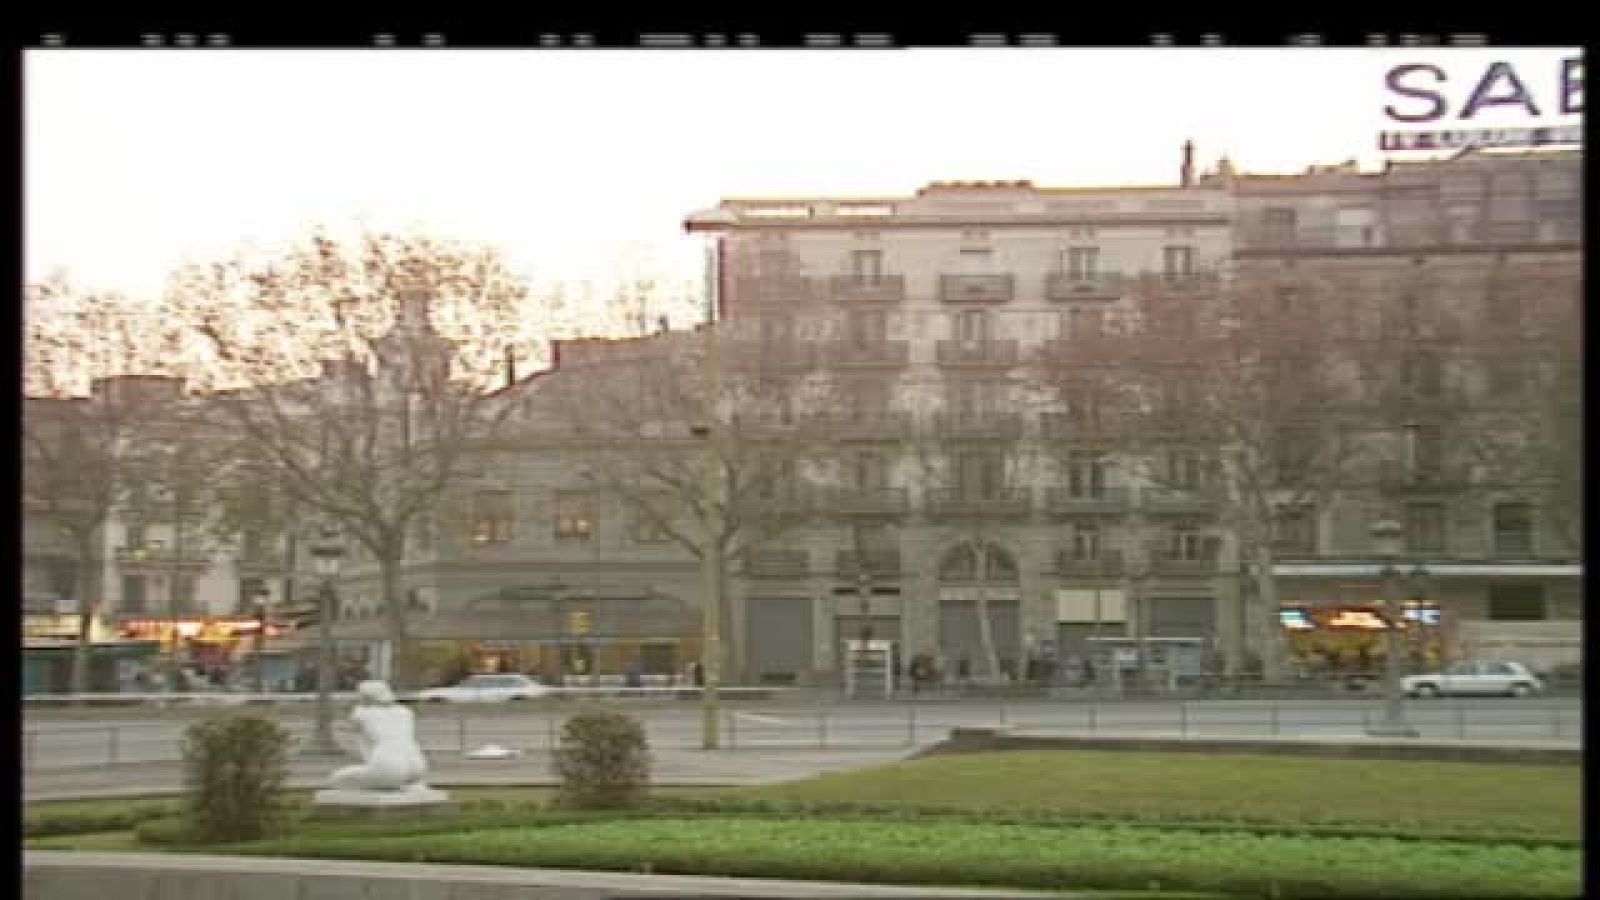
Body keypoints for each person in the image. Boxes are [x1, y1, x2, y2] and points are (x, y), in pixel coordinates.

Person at [327, 680, 429, 792]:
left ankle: (389, 782)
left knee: (337, 780)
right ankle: (406, 783)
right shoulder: (405, 712)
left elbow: (346, 728)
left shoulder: (361, 713)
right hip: (417, 764)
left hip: (388, 766)